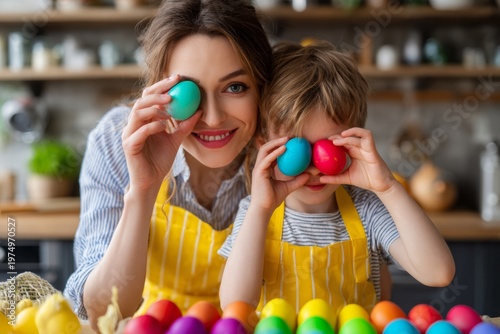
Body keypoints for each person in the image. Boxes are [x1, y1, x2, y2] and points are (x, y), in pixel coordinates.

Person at [63, 0, 272, 329]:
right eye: (190, 92)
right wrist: (143, 190)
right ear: (160, 88)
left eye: (235, 87)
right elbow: (100, 313)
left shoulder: (282, 148)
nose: (214, 118)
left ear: (261, 88)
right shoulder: (116, 142)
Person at [218, 41, 455, 318]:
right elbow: (235, 306)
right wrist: (260, 209)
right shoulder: (255, 211)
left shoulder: (367, 210)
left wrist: (388, 188)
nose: (316, 168)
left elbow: (439, 273)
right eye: (298, 149)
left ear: (352, 143)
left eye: (329, 148)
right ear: (264, 146)